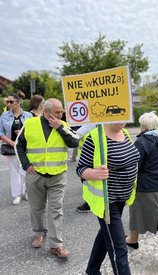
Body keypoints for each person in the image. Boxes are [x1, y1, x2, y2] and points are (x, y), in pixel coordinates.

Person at [16, 98, 79, 258]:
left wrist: (60, 128)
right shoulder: (30, 124)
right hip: (35, 174)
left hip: (57, 175)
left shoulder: (63, 125)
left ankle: (56, 245)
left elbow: (74, 142)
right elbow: (19, 145)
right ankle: (39, 233)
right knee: (36, 208)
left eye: (61, 111)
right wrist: (26, 165)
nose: (61, 114)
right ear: (46, 111)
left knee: (56, 210)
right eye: (58, 112)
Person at [76, 123, 140, 275]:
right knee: (119, 248)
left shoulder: (124, 132)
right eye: (121, 116)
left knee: (107, 235)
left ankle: (92, 270)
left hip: (123, 197)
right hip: (106, 201)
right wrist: (94, 173)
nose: (125, 121)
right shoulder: (94, 137)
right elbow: (80, 168)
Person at [126, 112, 158, 263]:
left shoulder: (141, 142)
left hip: (145, 186)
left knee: (136, 211)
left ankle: (133, 239)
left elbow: (135, 165)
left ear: (144, 126)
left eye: (141, 124)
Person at [0, 92, 32, 204]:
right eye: (7, 101)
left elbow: (33, 131)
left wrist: (23, 132)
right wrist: (11, 142)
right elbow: (1, 132)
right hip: (10, 146)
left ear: (18, 102)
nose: (8, 103)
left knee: (25, 170)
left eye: (11, 101)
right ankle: (17, 195)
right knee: (14, 172)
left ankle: (26, 191)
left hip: (25, 147)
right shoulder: (4, 116)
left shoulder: (28, 115)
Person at [75, 124, 96, 213]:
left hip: (88, 160)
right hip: (88, 159)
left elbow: (77, 134)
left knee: (88, 184)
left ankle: (90, 204)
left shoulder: (91, 124)